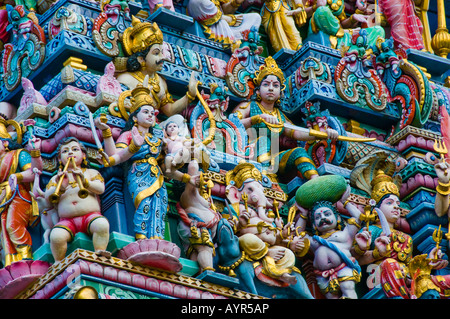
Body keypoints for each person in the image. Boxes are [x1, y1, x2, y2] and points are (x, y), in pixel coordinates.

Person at [96, 82, 200, 240]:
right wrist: (107, 133)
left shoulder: (157, 141)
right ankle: (141, 237)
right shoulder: (129, 135)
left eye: (153, 113)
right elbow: (116, 156)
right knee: (143, 203)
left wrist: (188, 178)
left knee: (160, 206)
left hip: (157, 177)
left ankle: (157, 238)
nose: (151, 115)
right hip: (138, 174)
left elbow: (167, 169)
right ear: (135, 116)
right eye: (146, 112)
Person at [232, 56, 338, 179]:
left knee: (299, 152)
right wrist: (257, 118)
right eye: (266, 84)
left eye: (275, 85)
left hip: (273, 161)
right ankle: (264, 176)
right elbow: (232, 123)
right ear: (257, 91)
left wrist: (323, 133)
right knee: (263, 140)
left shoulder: (279, 115)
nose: (271, 88)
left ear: (280, 93)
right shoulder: (249, 106)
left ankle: (315, 182)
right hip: (248, 155)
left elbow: (297, 132)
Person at [352, 170, 448, 298]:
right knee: (390, 263)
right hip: (381, 276)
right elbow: (355, 259)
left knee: (435, 281)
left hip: (406, 278)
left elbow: (410, 265)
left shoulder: (406, 237)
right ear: (377, 209)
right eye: (389, 203)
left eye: (398, 204)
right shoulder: (372, 230)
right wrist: (376, 254)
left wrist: (428, 261)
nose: (396, 207)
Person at [44, 137, 110, 264]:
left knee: (102, 225)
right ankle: (58, 261)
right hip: (66, 221)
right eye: (65, 151)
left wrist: (85, 182)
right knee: (56, 236)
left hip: (91, 216)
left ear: (83, 155)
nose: (70, 153)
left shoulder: (90, 172)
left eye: (75, 149)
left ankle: (100, 250)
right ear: (59, 159)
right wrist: (61, 187)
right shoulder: (56, 179)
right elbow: (48, 198)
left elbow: (100, 188)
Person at [116, 16, 199, 117]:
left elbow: (169, 110)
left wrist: (190, 95)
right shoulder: (126, 79)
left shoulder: (160, 82)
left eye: (162, 52)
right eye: (156, 53)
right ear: (141, 59)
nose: (163, 57)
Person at [295, 185, 363, 299]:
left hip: (343, 268)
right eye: (318, 217)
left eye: (327, 214)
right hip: (322, 275)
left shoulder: (345, 234)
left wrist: (345, 202)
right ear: (314, 225)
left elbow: (358, 217)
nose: (322, 218)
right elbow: (298, 233)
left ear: (337, 218)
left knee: (348, 290)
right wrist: (303, 214)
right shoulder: (314, 241)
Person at [0, 118, 42, 266]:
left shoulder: (18, 154)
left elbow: (33, 172)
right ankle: (10, 261)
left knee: (12, 225)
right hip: (1, 199)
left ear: (5, 143)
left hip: (18, 194)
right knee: (2, 233)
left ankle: (25, 254)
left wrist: (16, 176)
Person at [187, 0, 261, 51]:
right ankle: (235, 44)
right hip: (210, 23)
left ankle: (243, 42)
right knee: (197, 1)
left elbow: (223, 10)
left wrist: (235, 3)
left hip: (223, 24)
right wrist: (226, 19)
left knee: (255, 17)